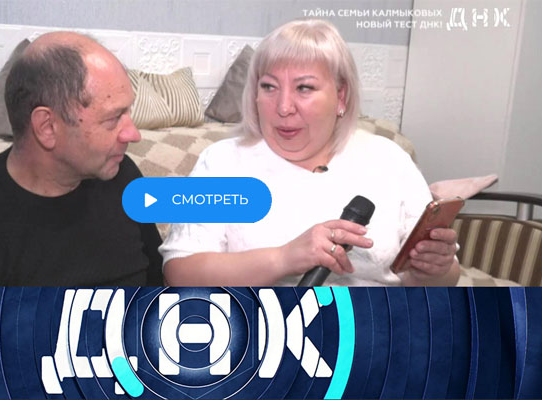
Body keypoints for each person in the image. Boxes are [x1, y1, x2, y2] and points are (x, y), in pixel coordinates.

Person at [160, 20, 460, 286]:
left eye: (304, 88)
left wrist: (434, 270)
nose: (283, 107)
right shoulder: (221, 162)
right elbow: (180, 272)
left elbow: (443, 280)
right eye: (269, 87)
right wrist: (283, 259)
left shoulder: (389, 158)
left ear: (341, 96)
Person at [0, 32, 163, 286]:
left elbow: (159, 285)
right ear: (47, 127)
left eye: (128, 112)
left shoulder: (122, 175)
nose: (134, 134)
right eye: (114, 118)